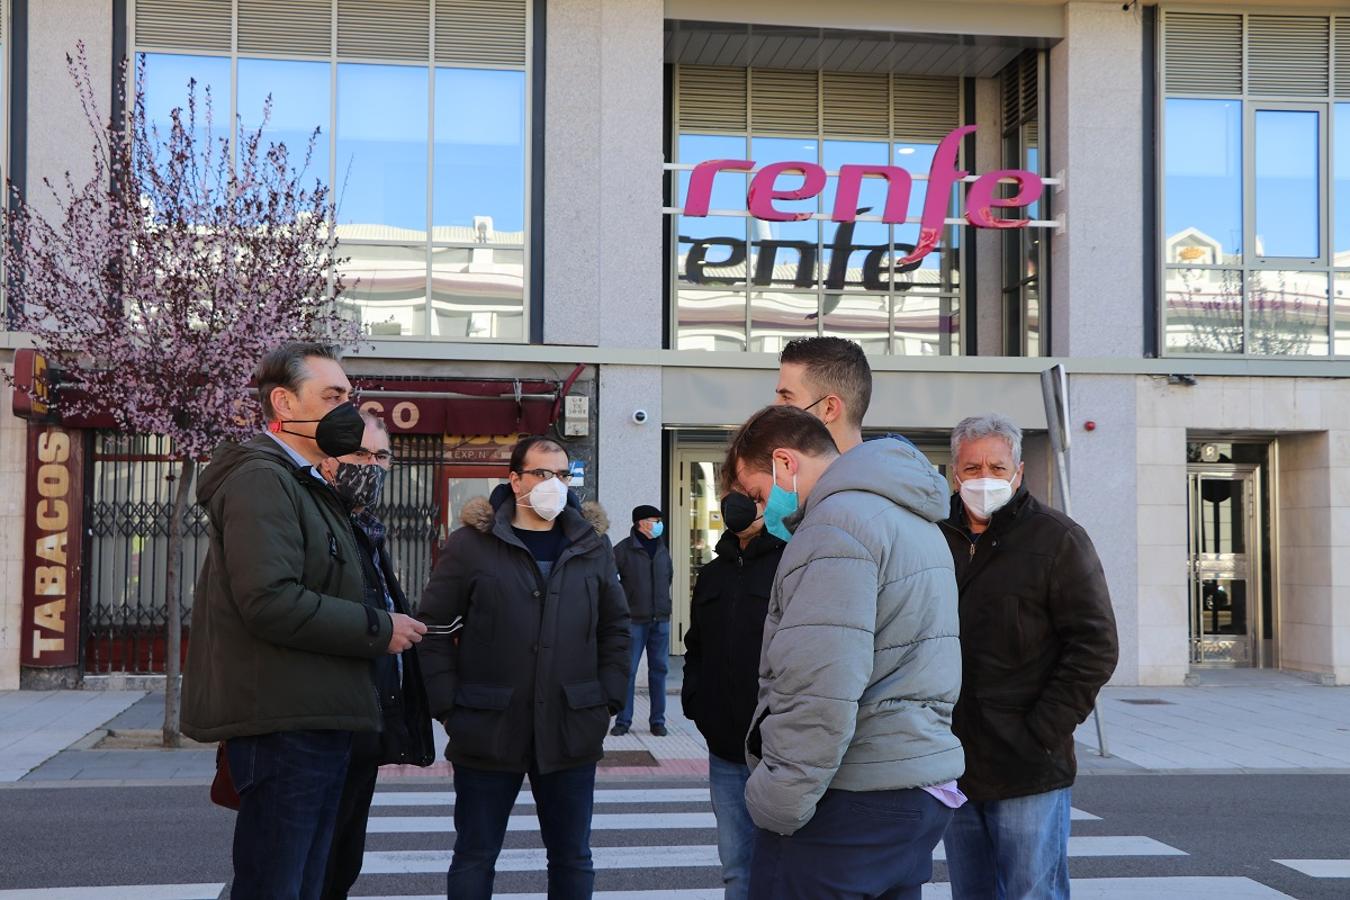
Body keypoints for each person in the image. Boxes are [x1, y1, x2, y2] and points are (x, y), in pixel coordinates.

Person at [182, 342, 427, 899]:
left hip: (318, 716)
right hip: (286, 724)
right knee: (278, 883)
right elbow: (269, 600)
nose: (348, 409)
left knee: (310, 881)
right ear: (285, 404)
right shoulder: (263, 479)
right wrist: (379, 628)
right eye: (333, 396)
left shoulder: (306, 482)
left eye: (349, 395)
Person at [726, 405, 965, 900]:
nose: (761, 508)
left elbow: (820, 684)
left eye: (757, 492)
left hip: (852, 794)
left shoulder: (836, 525)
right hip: (914, 785)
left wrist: (777, 800)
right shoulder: (910, 516)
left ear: (784, 463)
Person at [418, 436, 630, 900]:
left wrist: (608, 699)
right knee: (475, 855)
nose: (553, 484)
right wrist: (449, 706)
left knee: (573, 858)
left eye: (561, 475)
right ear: (514, 480)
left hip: (571, 726)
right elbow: (433, 629)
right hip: (486, 727)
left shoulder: (591, 545)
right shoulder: (472, 544)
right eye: (541, 473)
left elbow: (616, 628)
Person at [939, 414, 1118, 900]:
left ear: (1018, 471)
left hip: (1029, 763)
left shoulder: (1056, 538)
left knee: (1030, 892)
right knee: (970, 892)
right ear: (955, 472)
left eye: (997, 466)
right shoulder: (934, 535)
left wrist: (1042, 731)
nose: (984, 477)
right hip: (954, 760)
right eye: (972, 466)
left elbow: (1095, 645)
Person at [320, 411, 435, 900]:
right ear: (328, 462)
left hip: (364, 722)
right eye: (360, 454)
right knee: (304, 865)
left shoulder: (365, 526)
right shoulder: (318, 519)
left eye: (381, 455)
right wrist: (381, 629)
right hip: (323, 722)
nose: (371, 465)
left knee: (342, 862)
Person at [681, 492, 785, 900]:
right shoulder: (712, 574)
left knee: (783, 869)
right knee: (736, 870)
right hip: (724, 747)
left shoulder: (791, 566)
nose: (740, 503)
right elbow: (696, 647)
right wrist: (696, 701)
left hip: (778, 749)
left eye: (755, 494)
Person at [611, 505, 674, 737]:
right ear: (640, 523)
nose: (658, 524)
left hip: (660, 619)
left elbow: (668, 576)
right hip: (633, 621)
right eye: (654, 520)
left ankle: (658, 720)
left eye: (659, 520)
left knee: (659, 670)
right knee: (628, 672)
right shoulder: (622, 550)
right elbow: (611, 583)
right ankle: (623, 720)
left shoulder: (661, 548)